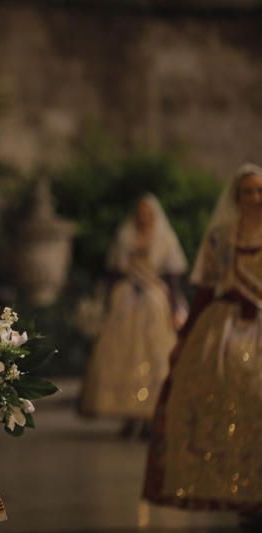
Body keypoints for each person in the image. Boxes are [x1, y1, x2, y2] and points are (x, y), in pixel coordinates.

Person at [144, 164, 262, 528]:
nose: (255, 198)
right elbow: (205, 290)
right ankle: (241, 492)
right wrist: (183, 339)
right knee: (222, 407)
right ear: (236, 196)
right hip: (222, 330)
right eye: (248, 191)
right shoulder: (222, 237)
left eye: (261, 191)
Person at [79, 194, 188, 437]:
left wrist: (174, 307)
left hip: (153, 301)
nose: (143, 217)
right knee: (124, 354)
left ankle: (149, 415)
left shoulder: (164, 239)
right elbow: (114, 271)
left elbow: (173, 277)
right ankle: (130, 415)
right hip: (127, 301)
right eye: (140, 212)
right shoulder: (125, 236)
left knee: (154, 355)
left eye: (147, 212)